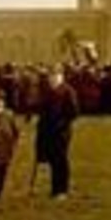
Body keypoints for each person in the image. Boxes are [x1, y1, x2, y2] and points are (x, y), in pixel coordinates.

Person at [35, 68, 79, 199]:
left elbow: (74, 111)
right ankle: (55, 189)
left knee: (61, 160)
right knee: (53, 160)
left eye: (55, 76)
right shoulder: (48, 92)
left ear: (61, 77)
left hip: (61, 131)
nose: (52, 79)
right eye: (50, 77)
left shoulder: (68, 91)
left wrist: (62, 123)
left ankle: (62, 190)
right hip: (48, 131)